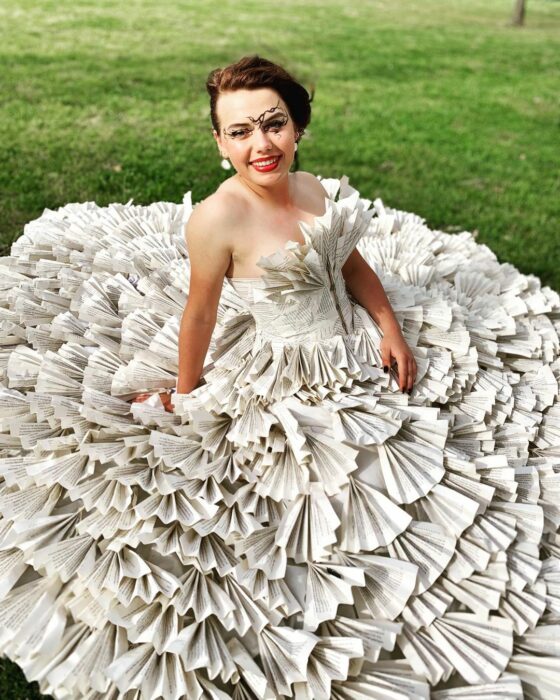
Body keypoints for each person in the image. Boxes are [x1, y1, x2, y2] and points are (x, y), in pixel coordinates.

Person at [0, 54, 558, 699]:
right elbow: (200, 311)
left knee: (463, 449)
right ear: (219, 142)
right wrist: (186, 396)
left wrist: (390, 328)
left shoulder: (315, 189)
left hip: (349, 344)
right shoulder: (217, 218)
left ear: (297, 127)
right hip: (280, 368)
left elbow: (350, 267)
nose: (260, 144)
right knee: (344, 493)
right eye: (240, 131)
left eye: (273, 125)